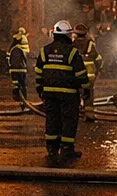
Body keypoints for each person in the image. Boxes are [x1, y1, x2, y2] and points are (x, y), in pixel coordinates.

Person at [34, 20, 89, 163]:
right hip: (69, 94)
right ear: (67, 35)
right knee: (69, 120)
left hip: (49, 93)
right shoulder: (72, 52)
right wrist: (86, 88)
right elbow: (81, 73)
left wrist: (39, 88)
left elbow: (38, 72)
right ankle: (67, 149)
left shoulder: (44, 51)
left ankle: (52, 149)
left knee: (52, 120)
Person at [74, 23, 104, 122]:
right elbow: (98, 59)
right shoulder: (90, 44)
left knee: (76, 94)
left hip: (76, 76)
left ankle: (76, 113)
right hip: (89, 76)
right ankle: (89, 114)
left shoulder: (72, 45)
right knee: (88, 94)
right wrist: (99, 69)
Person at [7, 27, 30, 111]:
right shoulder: (24, 46)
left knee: (16, 86)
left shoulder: (15, 48)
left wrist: (9, 67)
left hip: (15, 69)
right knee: (23, 86)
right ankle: (23, 103)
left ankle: (20, 101)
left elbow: (11, 58)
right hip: (23, 69)